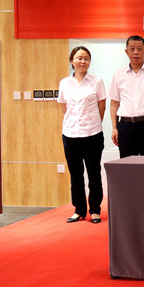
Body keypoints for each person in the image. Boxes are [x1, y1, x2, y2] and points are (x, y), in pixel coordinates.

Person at [58, 46, 106, 224]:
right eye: (79, 58)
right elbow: (64, 107)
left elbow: (102, 106)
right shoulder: (64, 83)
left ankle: (95, 210)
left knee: (94, 173)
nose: (83, 61)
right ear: (72, 61)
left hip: (92, 132)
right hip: (70, 133)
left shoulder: (97, 81)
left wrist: (92, 122)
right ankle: (79, 210)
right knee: (75, 174)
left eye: (86, 58)